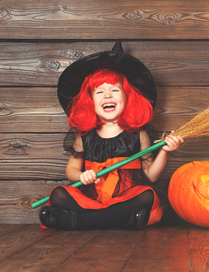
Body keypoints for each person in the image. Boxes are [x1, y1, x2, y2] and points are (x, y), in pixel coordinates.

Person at [39, 40, 184, 230]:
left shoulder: (138, 135)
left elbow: (151, 176)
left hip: (125, 198)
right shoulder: (84, 137)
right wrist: (82, 175)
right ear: (89, 101)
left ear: (127, 98)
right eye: (99, 91)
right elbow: (71, 170)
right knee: (58, 194)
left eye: (115, 90)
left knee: (147, 195)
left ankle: (79, 222)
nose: (107, 95)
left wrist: (164, 151)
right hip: (91, 198)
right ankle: (121, 220)